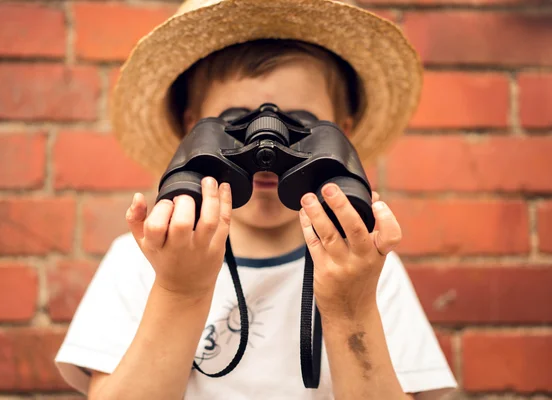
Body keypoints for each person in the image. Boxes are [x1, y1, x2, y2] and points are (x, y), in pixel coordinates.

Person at [55, 1, 457, 399]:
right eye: (234, 122)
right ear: (192, 131)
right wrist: (179, 291)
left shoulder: (366, 263)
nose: (266, 137)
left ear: (341, 136)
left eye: (300, 123)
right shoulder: (141, 259)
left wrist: (352, 307)